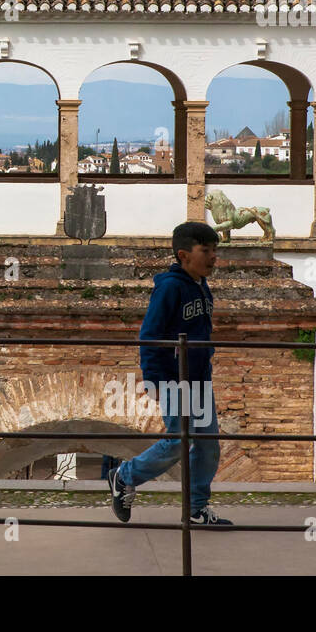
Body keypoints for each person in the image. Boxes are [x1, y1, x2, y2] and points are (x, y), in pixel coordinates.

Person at [108, 221, 232, 526]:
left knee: (207, 445)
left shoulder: (201, 286)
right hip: (174, 380)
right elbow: (150, 335)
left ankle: (196, 508)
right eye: (206, 250)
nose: (214, 257)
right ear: (184, 255)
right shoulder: (170, 288)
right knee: (179, 440)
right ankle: (124, 476)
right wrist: (154, 378)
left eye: (215, 250)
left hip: (199, 379)